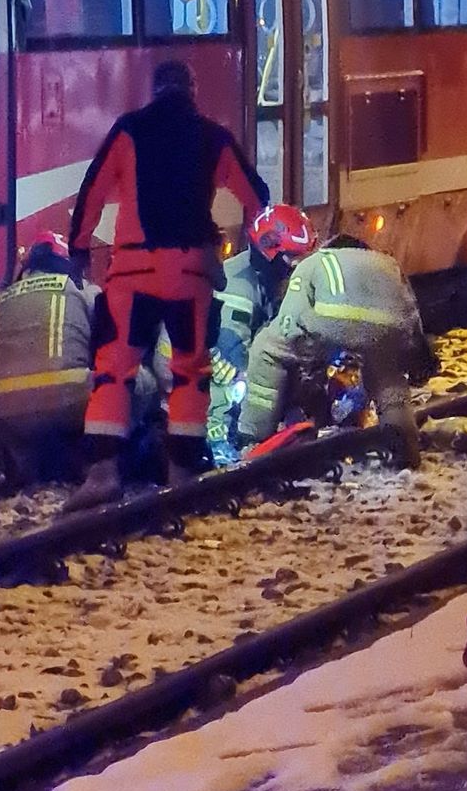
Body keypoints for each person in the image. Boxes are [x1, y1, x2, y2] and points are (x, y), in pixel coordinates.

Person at [66, 59, 269, 508]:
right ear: (191, 91)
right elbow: (257, 196)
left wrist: (79, 248)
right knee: (189, 371)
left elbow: (93, 190)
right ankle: (182, 472)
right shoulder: (213, 136)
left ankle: (102, 473)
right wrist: (258, 242)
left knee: (114, 367)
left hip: (133, 272)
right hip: (191, 273)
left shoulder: (129, 129)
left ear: (155, 90)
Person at [237, 234, 431, 468]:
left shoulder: (313, 262)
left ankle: (253, 438)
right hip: (387, 329)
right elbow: (411, 311)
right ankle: (404, 445)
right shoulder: (388, 264)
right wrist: (417, 351)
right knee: (388, 378)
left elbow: (290, 320)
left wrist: (298, 352)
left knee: (267, 350)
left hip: (330, 323)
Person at [0, 231, 96, 485]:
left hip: (8, 412)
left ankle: (23, 462)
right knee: (136, 383)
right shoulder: (81, 290)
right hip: (71, 403)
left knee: (14, 428)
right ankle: (97, 460)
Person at [207, 204, 318, 467]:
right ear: (270, 253)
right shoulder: (239, 291)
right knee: (234, 383)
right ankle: (218, 442)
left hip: (218, 358)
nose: (296, 268)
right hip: (206, 366)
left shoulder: (264, 281)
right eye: (292, 260)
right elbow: (230, 359)